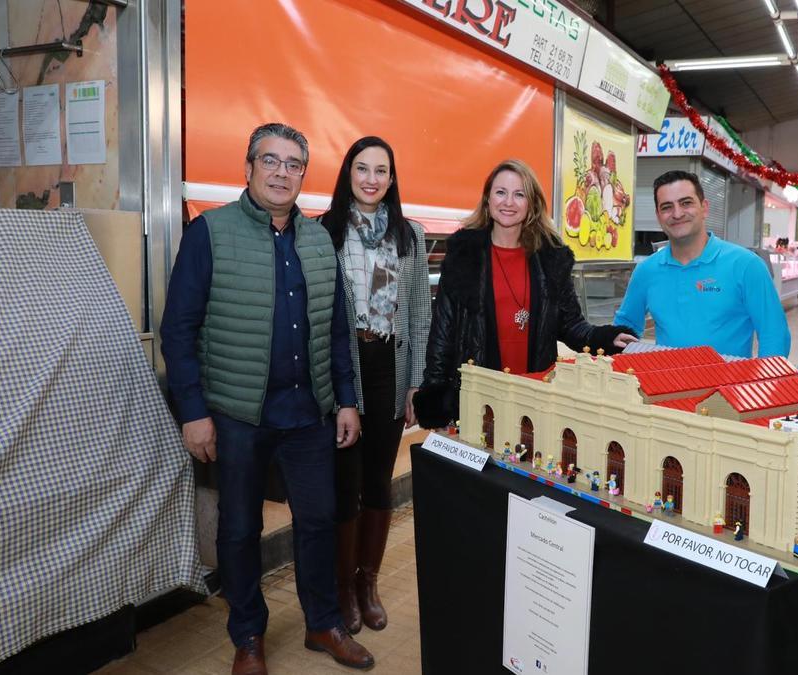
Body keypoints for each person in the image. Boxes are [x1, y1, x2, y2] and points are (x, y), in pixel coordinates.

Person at [159, 123, 374, 673]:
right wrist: (193, 414)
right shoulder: (210, 232)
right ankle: (247, 635)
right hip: (236, 415)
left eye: (293, 164)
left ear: (305, 173)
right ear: (248, 167)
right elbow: (178, 330)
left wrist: (346, 399)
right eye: (270, 161)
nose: (282, 173)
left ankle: (322, 624)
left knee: (318, 522)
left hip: (309, 414)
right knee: (239, 529)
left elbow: (337, 328)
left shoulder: (318, 238)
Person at [414, 159, 636, 428]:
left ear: (531, 204)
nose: (509, 202)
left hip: (535, 395)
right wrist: (435, 392)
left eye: (519, 194)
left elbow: (572, 326)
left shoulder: (550, 258)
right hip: (478, 395)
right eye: (501, 192)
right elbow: (443, 331)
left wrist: (608, 337)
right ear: (487, 200)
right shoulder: (464, 255)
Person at [319, 136, 431, 636]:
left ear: (392, 178)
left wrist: (416, 384)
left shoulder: (409, 235)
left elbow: (419, 312)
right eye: (362, 169)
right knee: (345, 482)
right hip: (344, 365)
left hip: (390, 364)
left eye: (381, 170)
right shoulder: (325, 230)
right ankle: (342, 589)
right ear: (348, 174)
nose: (371, 178)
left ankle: (368, 584)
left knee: (379, 479)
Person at [613, 170, 790, 358]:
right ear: (658, 216)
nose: (677, 213)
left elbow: (774, 335)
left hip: (727, 386)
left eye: (686, 203)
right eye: (667, 207)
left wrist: (763, 384)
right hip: (667, 384)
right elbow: (625, 328)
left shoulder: (746, 265)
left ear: (704, 208)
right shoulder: (646, 271)